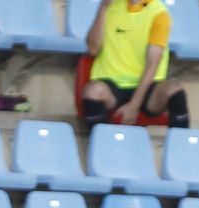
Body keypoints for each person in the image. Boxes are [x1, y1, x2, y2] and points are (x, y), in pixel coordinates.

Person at [80, 0, 190, 130]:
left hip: (148, 85)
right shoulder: (110, 6)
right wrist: (103, 8)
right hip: (111, 83)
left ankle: (179, 147)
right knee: (92, 91)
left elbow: (152, 64)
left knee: (174, 90)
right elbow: (93, 49)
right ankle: (103, 145)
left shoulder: (159, 14)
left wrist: (134, 105)